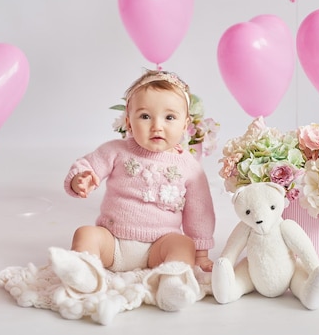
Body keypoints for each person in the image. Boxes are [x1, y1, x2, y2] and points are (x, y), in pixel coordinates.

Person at [49, 69, 216, 314]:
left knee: (182, 246)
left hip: (159, 246)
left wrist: (200, 254)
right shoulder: (116, 150)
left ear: (185, 125)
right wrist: (80, 179)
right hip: (113, 241)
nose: (157, 126)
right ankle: (84, 274)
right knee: (85, 233)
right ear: (128, 121)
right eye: (145, 116)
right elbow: (88, 165)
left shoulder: (190, 167)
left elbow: (200, 212)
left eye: (169, 117)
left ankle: (171, 283)